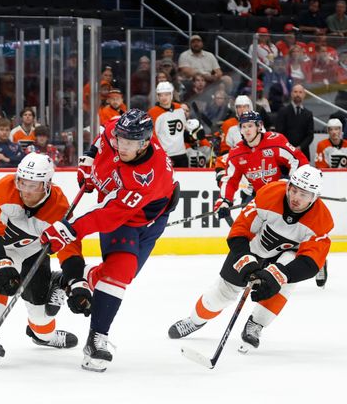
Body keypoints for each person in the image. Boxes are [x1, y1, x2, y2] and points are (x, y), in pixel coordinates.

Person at [39, 109, 179, 373]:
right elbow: (105, 132)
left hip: (144, 219)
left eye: (129, 143)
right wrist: (90, 160)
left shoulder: (148, 176)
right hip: (126, 219)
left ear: (146, 142)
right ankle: (96, 339)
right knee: (121, 272)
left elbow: (108, 216)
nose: (121, 146)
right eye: (120, 139)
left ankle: (66, 281)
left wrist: (70, 230)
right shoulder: (122, 130)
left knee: (123, 276)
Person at [168, 166, 332, 351]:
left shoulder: (321, 220)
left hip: (284, 259)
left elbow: (311, 262)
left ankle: (256, 324)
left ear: (314, 197)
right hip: (254, 248)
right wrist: (246, 260)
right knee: (222, 294)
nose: (295, 198)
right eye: (293, 190)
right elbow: (240, 229)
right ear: (288, 186)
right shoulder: (269, 194)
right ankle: (195, 320)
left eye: (303, 194)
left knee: (282, 279)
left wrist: (279, 275)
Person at [0, 153, 89, 367]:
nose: (25, 190)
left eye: (33, 185)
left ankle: (44, 334)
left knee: (41, 317)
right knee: (3, 276)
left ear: (47, 185)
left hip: (32, 251)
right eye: (22, 182)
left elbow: (69, 247)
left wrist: (76, 282)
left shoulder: (59, 206)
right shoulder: (4, 189)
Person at [215, 111, 308, 218]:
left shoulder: (275, 141)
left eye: (250, 126)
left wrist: (292, 184)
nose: (246, 130)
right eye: (243, 126)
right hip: (258, 196)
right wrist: (225, 201)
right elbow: (230, 181)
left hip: (282, 196)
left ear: (259, 126)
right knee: (247, 225)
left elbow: (297, 160)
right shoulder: (236, 153)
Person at [148, 81, 188, 167]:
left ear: (171, 94)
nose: (163, 97)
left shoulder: (179, 108)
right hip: (165, 155)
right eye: (160, 95)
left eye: (166, 94)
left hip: (181, 153)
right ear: (157, 96)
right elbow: (152, 136)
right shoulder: (153, 113)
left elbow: (183, 129)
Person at [274, 84, 314, 160]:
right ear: (291, 94)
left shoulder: (308, 114)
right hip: (285, 153)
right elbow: (279, 132)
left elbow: (310, 135)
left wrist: (300, 147)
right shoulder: (283, 112)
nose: (298, 94)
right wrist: (289, 148)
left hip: (303, 153)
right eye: (295, 92)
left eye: (300, 92)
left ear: (304, 95)